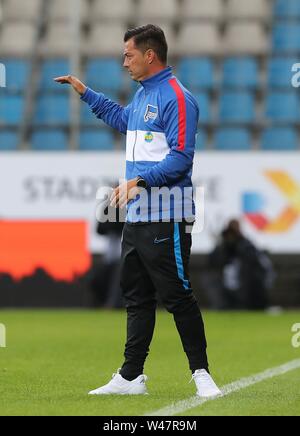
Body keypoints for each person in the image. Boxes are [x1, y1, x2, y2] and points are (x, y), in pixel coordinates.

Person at [54, 24, 221, 398]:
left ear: (150, 55)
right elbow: (121, 119)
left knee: (178, 295)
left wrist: (138, 182)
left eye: (129, 54)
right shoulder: (145, 96)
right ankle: (131, 376)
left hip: (167, 214)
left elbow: (181, 159)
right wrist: (86, 93)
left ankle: (202, 374)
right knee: (137, 297)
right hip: (138, 216)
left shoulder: (177, 97)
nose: (124, 61)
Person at [204, 219, 273, 310]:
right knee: (210, 278)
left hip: (245, 282)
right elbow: (212, 261)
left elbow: (256, 262)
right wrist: (222, 245)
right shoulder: (222, 247)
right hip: (226, 281)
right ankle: (224, 305)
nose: (231, 237)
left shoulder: (246, 245)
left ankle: (249, 304)